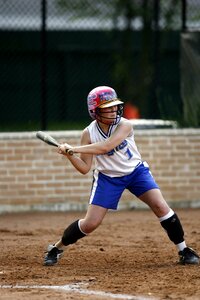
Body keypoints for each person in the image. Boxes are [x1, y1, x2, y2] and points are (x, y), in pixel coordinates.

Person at [44, 86, 199, 266]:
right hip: (108, 178)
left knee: (160, 206)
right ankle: (57, 248)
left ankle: (184, 250)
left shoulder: (125, 124)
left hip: (136, 172)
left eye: (115, 106)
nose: (113, 110)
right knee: (90, 224)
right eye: (108, 108)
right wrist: (70, 155)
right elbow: (85, 168)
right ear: (95, 111)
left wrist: (73, 148)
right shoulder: (88, 133)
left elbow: (106, 146)